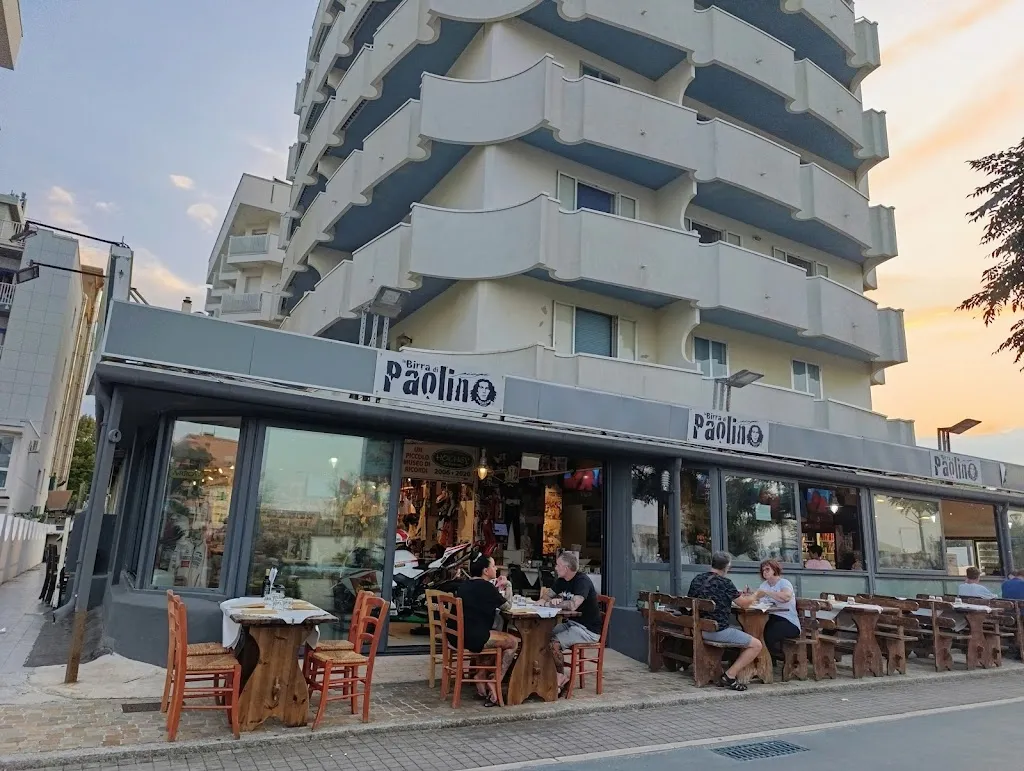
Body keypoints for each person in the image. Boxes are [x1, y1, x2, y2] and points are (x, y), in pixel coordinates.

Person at [687, 551, 763, 691]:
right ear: (727, 567)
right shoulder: (725, 583)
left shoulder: (697, 579)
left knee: (739, 633)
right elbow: (745, 604)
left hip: (697, 628)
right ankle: (730, 676)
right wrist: (756, 595)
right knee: (757, 645)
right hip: (715, 631)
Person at [454, 554, 518, 706]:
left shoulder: (464, 585)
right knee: (512, 642)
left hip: (459, 635)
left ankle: (481, 674)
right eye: (494, 566)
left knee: (496, 638)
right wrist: (508, 585)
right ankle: (495, 681)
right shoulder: (487, 587)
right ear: (485, 570)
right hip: (475, 637)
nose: (496, 568)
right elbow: (508, 606)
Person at [539, 551, 602, 692]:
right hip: (573, 624)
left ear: (566, 568)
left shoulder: (582, 581)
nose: (555, 568)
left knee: (553, 643)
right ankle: (547, 674)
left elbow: (574, 605)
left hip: (588, 630)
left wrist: (554, 604)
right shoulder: (562, 580)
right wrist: (545, 600)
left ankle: (561, 678)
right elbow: (546, 595)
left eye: (558, 565)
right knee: (542, 635)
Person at [754, 559, 801, 663]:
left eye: (767, 569)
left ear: (775, 570)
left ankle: (768, 661)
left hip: (788, 621)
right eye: (763, 570)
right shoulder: (764, 585)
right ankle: (768, 660)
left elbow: (786, 597)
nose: (764, 572)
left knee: (767, 634)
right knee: (756, 631)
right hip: (771, 618)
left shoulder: (784, 583)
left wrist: (767, 592)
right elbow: (757, 598)